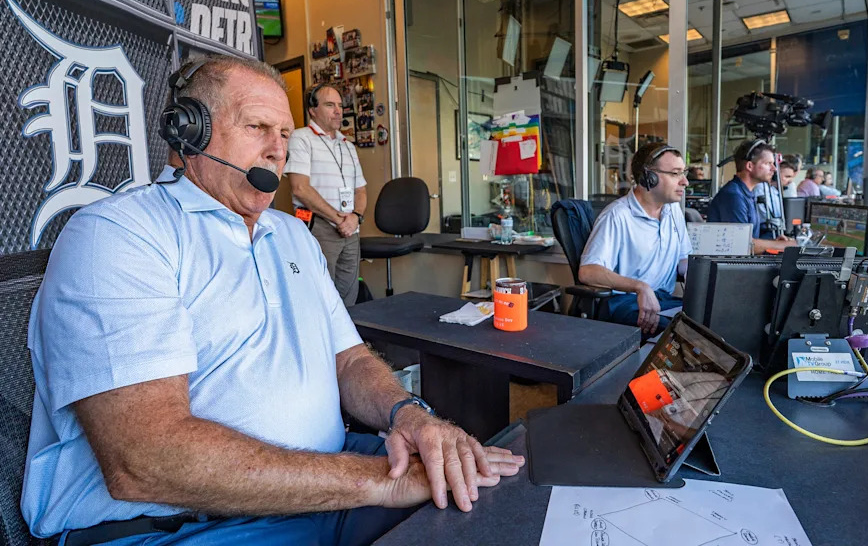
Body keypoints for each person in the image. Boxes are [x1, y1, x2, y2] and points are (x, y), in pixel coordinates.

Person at [22, 57, 523, 546]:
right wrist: (378, 481)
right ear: (188, 132)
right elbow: (145, 461)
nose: (277, 151)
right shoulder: (119, 234)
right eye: (258, 127)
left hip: (325, 476)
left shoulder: (291, 235)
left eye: (284, 135)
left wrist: (410, 415)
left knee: (489, 501)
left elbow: (347, 360)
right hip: (183, 522)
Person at [579, 142, 692, 338]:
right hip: (625, 302)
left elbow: (683, 259)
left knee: (708, 321)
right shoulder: (617, 215)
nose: (685, 181)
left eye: (684, 172)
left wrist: (701, 277)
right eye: (675, 173)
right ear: (649, 176)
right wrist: (640, 287)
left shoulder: (673, 210)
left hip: (663, 300)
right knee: (683, 334)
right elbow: (588, 272)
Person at [285, 85, 367, 306]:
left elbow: (361, 190)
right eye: (330, 105)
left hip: (351, 228)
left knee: (349, 296)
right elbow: (300, 188)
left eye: (340, 105)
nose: (338, 111)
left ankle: (350, 341)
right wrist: (338, 218)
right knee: (321, 297)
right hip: (319, 226)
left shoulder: (348, 145)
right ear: (312, 110)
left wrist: (355, 217)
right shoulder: (300, 138)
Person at [707, 139, 794, 254]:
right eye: (768, 163)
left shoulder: (745, 192)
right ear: (749, 166)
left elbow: (748, 239)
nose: (774, 169)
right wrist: (786, 245)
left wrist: (772, 242)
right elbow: (741, 245)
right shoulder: (733, 196)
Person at [752, 156, 798, 236]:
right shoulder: (762, 188)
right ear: (775, 175)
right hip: (766, 231)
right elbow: (767, 215)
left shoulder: (774, 190)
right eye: (787, 177)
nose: (790, 181)